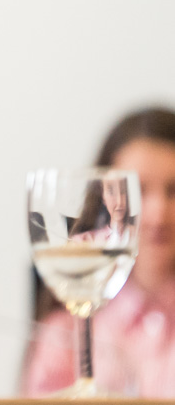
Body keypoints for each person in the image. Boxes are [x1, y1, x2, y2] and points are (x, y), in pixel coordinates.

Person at [23, 108, 175, 397]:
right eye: (139, 191)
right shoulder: (64, 333)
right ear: (104, 201)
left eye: (174, 190)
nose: (159, 213)